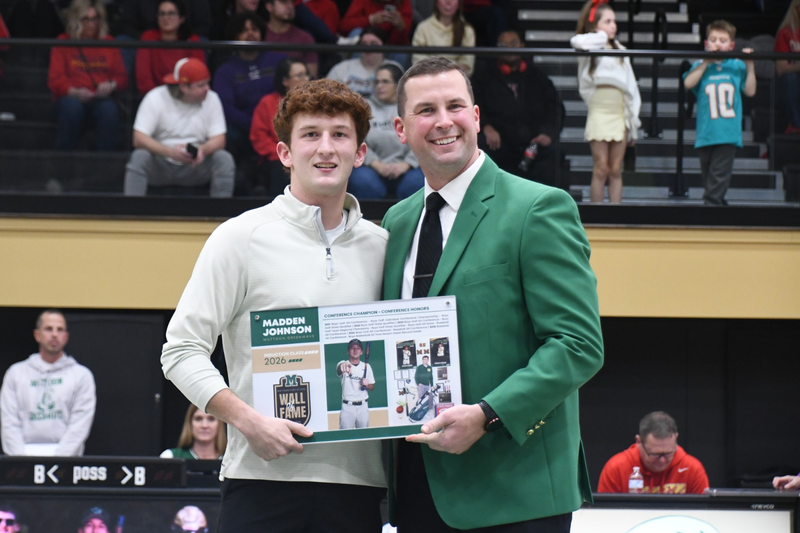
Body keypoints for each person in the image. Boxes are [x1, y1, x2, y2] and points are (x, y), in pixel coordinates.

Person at [382, 57, 604, 531]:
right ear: (401, 128)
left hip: (515, 491)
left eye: (455, 106)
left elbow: (578, 345)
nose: (443, 121)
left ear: (477, 118)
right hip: (420, 491)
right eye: (426, 110)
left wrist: (487, 415)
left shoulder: (538, 207)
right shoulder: (397, 222)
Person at [160, 78, 388, 531]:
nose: (326, 148)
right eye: (310, 135)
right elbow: (180, 350)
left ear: (360, 153)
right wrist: (248, 421)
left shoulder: (384, 246)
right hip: (260, 484)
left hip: (360, 490)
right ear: (285, 153)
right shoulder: (240, 237)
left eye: (340, 135)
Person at [124, 58, 235, 197]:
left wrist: (202, 150)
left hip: (195, 166)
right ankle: (132, 212)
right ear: (184, 87)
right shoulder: (155, 97)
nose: (208, 89)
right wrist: (170, 152)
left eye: (207, 83)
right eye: (201, 85)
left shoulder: (212, 98)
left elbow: (220, 139)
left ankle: (222, 212)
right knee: (139, 156)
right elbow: (139, 138)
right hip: (161, 164)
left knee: (223, 158)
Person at [473, 29, 564, 187]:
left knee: (554, 155)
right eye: (503, 44)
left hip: (533, 144)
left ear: (522, 45)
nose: (509, 47)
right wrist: (486, 126)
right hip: (500, 143)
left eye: (514, 43)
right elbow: (474, 104)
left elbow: (555, 107)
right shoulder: (484, 77)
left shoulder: (538, 77)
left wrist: (548, 132)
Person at [0, 310, 96, 457]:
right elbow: (8, 422)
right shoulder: (16, 373)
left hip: (67, 464)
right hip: (22, 460)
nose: (54, 335)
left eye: (60, 330)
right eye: (48, 329)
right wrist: (21, 462)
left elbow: (79, 426)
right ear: (37, 335)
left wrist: (58, 462)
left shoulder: (81, 376)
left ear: (66, 337)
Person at [571, 1, 640, 203]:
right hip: (599, 109)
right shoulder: (589, 48)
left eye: (614, 21)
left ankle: (616, 215)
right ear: (595, 26)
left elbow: (632, 90)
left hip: (619, 110)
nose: (613, 26)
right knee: (601, 167)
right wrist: (600, 36)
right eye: (608, 21)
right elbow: (577, 41)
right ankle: (597, 215)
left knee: (615, 169)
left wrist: (633, 124)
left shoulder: (621, 50)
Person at [683, 20, 756, 206]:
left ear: (731, 45)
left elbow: (750, 91)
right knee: (709, 177)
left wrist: (750, 66)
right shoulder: (700, 65)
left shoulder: (736, 65)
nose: (717, 44)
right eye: (713, 39)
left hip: (727, 132)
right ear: (706, 43)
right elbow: (688, 83)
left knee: (718, 177)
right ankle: (717, 207)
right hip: (706, 133)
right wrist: (705, 63)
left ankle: (711, 210)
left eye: (722, 40)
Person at [47, 0, 127, 151]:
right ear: (76, 19)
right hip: (70, 98)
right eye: (86, 19)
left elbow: (121, 77)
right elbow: (55, 80)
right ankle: (61, 164)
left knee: (108, 110)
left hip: (100, 99)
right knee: (72, 107)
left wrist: (111, 85)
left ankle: (104, 166)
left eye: (94, 18)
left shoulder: (109, 42)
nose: (91, 23)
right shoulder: (63, 41)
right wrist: (74, 92)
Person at [213, 12, 287, 158]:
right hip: (243, 129)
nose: (250, 34)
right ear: (235, 36)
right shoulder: (225, 71)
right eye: (244, 30)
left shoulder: (279, 60)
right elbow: (225, 107)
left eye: (254, 29)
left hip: (278, 123)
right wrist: (254, 124)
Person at [348, 63, 424, 199]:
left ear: (398, 85)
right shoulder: (363, 108)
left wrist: (407, 164)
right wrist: (376, 164)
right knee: (361, 181)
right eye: (376, 82)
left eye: (385, 82)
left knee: (417, 182)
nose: (379, 86)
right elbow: (356, 140)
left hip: (407, 168)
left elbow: (421, 138)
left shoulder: (412, 107)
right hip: (372, 167)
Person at [598, 411, 709, 494]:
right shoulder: (616, 468)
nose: (662, 460)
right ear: (638, 442)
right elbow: (604, 516)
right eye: (654, 454)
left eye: (668, 453)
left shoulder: (692, 469)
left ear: (676, 439)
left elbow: (704, 514)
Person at [250, 58, 310, 195]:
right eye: (300, 75)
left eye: (306, 74)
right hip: (277, 158)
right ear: (285, 81)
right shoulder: (267, 103)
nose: (306, 79)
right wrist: (286, 155)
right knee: (282, 171)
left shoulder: (315, 104)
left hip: (308, 155)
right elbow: (259, 138)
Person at [135, 0, 206, 96]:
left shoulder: (192, 40)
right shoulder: (148, 37)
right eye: (162, 14)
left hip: (186, 97)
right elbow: (144, 78)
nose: (166, 18)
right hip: (155, 97)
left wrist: (182, 97)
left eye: (171, 13)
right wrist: (158, 98)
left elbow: (197, 77)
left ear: (182, 18)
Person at [326, 27, 400, 98]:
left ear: (384, 46)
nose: (368, 48)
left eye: (373, 44)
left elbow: (399, 99)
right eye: (364, 44)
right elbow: (326, 94)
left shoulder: (393, 68)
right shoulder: (342, 68)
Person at [411, 0, 475, 76]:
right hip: (428, 81)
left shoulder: (467, 30)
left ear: (459, 3)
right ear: (436, 2)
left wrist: (437, 68)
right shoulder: (423, 28)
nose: (448, 2)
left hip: (455, 82)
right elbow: (418, 64)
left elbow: (466, 66)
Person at [264, 0, 319, 78]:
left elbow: (312, 78)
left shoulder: (305, 38)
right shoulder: (258, 34)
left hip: (295, 88)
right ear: (269, 7)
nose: (290, 7)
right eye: (283, 2)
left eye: (291, 2)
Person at [160, 404, 228, 459]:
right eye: (198, 419)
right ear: (190, 424)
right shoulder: (170, 457)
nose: (204, 425)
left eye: (211, 419)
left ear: (219, 424)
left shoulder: (229, 462)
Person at [336, 339, 375, 429]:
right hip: (347, 407)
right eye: (352, 348)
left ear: (361, 352)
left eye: (358, 348)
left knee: (364, 436)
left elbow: (372, 386)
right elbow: (339, 369)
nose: (355, 350)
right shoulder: (343, 364)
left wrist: (367, 385)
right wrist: (343, 365)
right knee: (345, 437)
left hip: (363, 407)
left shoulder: (367, 366)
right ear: (348, 351)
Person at [339, 0, 413, 46]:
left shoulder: (404, 2)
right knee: (356, 33)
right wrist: (371, 20)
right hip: (365, 45)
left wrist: (400, 27)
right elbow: (344, 26)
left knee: (402, 52)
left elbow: (401, 43)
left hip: (389, 47)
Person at [775, 0, 800, 133]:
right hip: (790, 84)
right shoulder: (786, 32)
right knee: (790, 78)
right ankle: (796, 126)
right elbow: (782, 68)